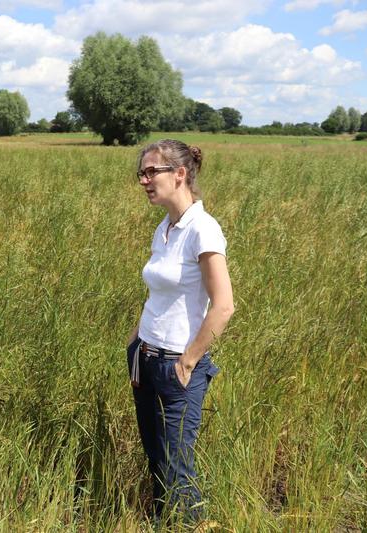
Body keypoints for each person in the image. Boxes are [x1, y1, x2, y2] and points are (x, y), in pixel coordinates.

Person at [125, 139, 234, 524]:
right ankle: (162, 524)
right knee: (156, 459)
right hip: (145, 357)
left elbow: (223, 305)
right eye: (142, 173)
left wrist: (188, 361)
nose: (144, 180)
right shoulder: (166, 227)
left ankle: (189, 525)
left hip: (176, 367)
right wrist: (136, 339)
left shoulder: (202, 230)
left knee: (177, 470)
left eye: (152, 171)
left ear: (180, 174)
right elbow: (158, 291)